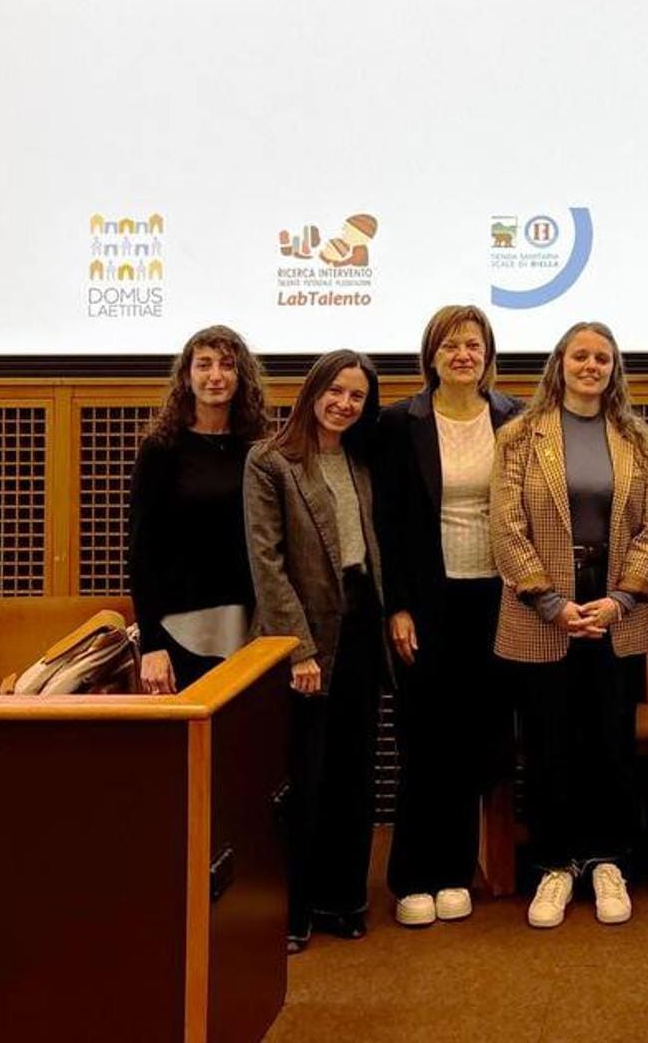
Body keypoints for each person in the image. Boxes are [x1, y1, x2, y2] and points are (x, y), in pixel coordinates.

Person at [490, 322, 648, 931]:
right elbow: (506, 525)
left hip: (615, 611)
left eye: (602, 358)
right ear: (559, 363)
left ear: (615, 369)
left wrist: (620, 598)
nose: (591, 366)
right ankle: (555, 865)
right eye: (580, 356)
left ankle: (609, 861)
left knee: (611, 740)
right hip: (541, 612)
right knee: (548, 742)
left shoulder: (638, 438)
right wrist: (549, 602)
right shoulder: (519, 435)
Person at [371, 306, 523, 928]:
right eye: (450, 345)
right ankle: (412, 876)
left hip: (494, 598)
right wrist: (398, 605)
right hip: (426, 601)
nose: (463, 354)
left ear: (488, 355)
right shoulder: (398, 423)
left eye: (473, 345)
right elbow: (386, 523)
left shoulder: (513, 418)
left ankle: (456, 871)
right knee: (422, 737)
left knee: (472, 738)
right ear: (430, 356)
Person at [244, 350, 389, 953]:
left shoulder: (361, 458)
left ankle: (343, 900)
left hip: (361, 628)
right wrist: (297, 649)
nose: (344, 404)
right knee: (303, 777)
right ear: (313, 391)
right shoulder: (270, 460)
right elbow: (267, 562)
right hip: (304, 638)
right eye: (335, 390)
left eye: (356, 396)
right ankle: (293, 909)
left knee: (354, 772)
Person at [129, 325, 270, 693]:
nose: (215, 376)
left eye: (227, 365)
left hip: (246, 629)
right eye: (204, 365)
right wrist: (152, 644)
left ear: (242, 376)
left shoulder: (258, 449)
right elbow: (142, 552)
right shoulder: (160, 450)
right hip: (177, 631)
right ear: (186, 377)